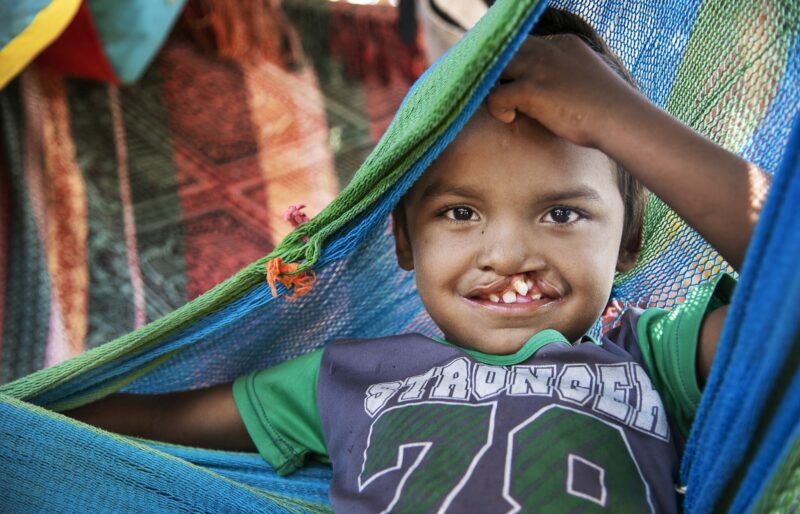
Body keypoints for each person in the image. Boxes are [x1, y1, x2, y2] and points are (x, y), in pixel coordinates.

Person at [65, 7, 766, 512]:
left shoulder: (651, 356)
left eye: (562, 213)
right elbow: (138, 424)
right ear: (404, 239)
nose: (509, 254)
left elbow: (785, 276)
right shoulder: (347, 377)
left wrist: (618, 118)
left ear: (630, 242)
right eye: (459, 213)